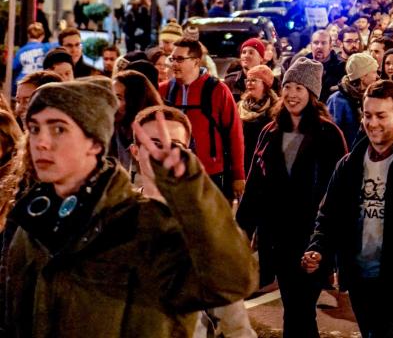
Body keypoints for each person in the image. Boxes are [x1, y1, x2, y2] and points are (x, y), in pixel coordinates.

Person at [4, 81, 257, 336]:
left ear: (95, 143)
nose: (41, 143)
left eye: (59, 129)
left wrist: (189, 187)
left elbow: (230, 283)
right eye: (34, 129)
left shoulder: (144, 224)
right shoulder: (32, 222)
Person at [302, 80, 393, 338]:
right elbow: (328, 217)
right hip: (360, 281)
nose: (372, 123)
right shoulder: (348, 166)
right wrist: (317, 249)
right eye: (367, 115)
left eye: (381, 115)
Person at [237, 58, 347, 337]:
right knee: (294, 307)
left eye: (300, 87)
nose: (292, 94)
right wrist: (241, 230)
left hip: (312, 237)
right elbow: (254, 185)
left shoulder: (328, 133)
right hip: (278, 238)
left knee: (301, 308)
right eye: (288, 86)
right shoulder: (270, 131)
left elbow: (340, 191)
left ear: (312, 94)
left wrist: (334, 246)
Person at [129, 106, 257, 338]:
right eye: (154, 143)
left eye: (174, 145)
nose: (164, 153)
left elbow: (235, 321)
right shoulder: (117, 217)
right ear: (135, 151)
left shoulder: (201, 223)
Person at [159, 39, 246, 200]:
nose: (174, 64)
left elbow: (234, 134)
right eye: (172, 59)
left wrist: (238, 175)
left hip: (210, 175)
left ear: (196, 61)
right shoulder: (164, 90)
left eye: (180, 59)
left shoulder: (218, 90)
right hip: (172, 175)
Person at [110, 70, 163, 176]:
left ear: (135, 102)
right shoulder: (110, 131)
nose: (111, 102)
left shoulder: (158, 138)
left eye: (118, 97)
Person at [327, 52, 380, 148]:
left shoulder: (371, 97)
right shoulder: (337, 101)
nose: (377, 76)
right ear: (363, 76)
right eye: (374, 72)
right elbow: (332, 137)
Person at [237, 64, 277, 173]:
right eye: (248, 80)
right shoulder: (240, 106)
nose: (249, 83)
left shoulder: (275, 108)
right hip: (243, 159)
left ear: (265, 84)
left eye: (254, 80)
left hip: (264, 162)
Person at [293, 29, 346, 103]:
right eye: (316, 43)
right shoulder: (302, 63)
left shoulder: (341, 66)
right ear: (311, 46)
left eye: (323, 43)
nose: (319, 46)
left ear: (330, 46)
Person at [11, 22, 53, 91]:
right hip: (41, 84)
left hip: (23, 83)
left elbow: (14, 66)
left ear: (28, 35)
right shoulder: (47, 48)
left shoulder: (21, 51)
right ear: (43, 36)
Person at [224, 38, 267, 103]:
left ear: (261, 58)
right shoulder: (230, 81)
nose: (246, 56)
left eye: (251, 53)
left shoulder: (268, 81)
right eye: (244, 52)